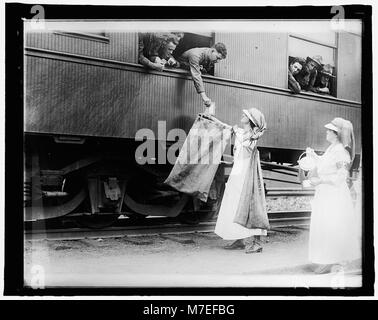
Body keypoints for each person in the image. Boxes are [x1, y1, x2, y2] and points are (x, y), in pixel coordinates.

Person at [304, 118, 360, 273]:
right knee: (324, 225)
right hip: (325, 193)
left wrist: (320, 180)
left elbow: (341, 177)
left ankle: (330, 260)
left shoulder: (341, 151)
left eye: (329, 130)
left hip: (334, 195)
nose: (327, 132)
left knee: (330, 226)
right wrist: (314, 155)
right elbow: (324, 165)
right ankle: (325, 259)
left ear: (336, 134)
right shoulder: (332, 148)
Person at [214, 108, 270, 254]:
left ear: (251, 120)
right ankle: (239, 238)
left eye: (246, 115)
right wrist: (210, 118)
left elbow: (258, 133)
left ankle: (256, 243)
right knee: (233, 203)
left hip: (247, 173)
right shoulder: (239, 132)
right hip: (237, 172)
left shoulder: (253, 135)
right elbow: (223, 125)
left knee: (250, 205)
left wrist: (258, 130)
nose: (242, 115)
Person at [178, 43, 227, 107]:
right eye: (217, 58)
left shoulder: (210, 56)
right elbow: (196, 75)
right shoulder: (196, 55)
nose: (217, 61)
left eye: (219, 59)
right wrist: (204, 97)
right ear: (212, 50)